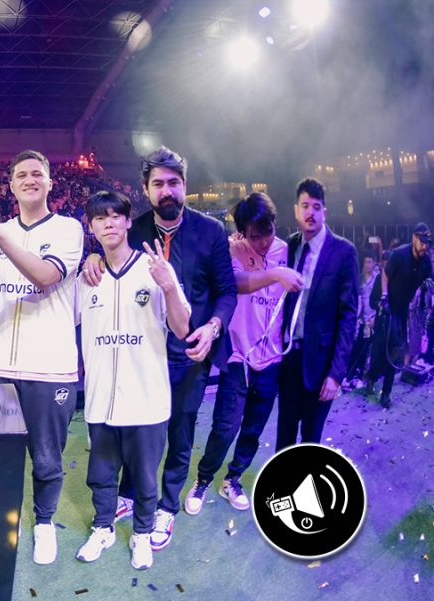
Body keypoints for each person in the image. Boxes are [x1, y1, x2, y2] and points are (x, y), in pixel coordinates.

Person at [82, 146, 236, 551]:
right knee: (135, 426)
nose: (167, 191)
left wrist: (213, 327)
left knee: (180, 431)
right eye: (158, 184)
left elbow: (226, 291)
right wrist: (93, 256)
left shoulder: (211, 231)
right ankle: (130, 495)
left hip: (189, 350)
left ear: (184, 185)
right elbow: (111, 251)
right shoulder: (134, 229)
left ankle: (166, 505)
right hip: (143, 352)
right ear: (146, 190)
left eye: (173, 182)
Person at [0, 150, 84, 565]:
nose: (30, 180)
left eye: (37, 173)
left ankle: (44, 522)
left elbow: (46, 276)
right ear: (11, 186)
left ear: (50, 183)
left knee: (47, 456)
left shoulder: (68, 229)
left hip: (50, 368)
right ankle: (2, 521)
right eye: (21, 175)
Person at [74, 191, 190, 570]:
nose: (108, 223)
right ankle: (103, 528)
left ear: (127, 221)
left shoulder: (155, 270)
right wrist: (88, 260)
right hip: (101, 398)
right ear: (91, 227)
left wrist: (169, 287)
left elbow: (182, 327)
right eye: (100, 218)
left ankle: (141, 533)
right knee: (101, 474)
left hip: (147, 398)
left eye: (115, 216)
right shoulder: (87, 278)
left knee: (144, 477)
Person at [182, 193, 301, 515]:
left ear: (275, 223)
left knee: (253, 428)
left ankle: (232, 479)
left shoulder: (287, 252)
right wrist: (275, 274)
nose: (262, 242)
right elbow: (236, 283)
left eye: (268, 232)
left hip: (272, 358)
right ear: (242, 233)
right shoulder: (233, 249)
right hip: (238, 356)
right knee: (225, 426)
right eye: (254, 236)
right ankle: (203, 479)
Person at [276, 178, 358, 448]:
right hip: (289, 359)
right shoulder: (290, 246)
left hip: (321, 365)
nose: (310, 212)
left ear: (325, 212)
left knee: (311, 440)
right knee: (284, 437)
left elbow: (348, 317)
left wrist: (336, 374)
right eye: (305, 206)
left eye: (316, 207)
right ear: (296, 210)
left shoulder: (344, 252)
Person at [363, 223, 432, 408]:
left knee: (395, 352)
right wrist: (384, 296)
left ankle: (386, 393)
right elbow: (385, 274)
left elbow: (429, 280)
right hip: (387, 308)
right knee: (380, 349)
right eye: (422, 241)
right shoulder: (400, 254)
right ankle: (371, 379)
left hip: (401, 311)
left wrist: (427, 286)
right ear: (414, 238)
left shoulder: (425, 261)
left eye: (427, 242)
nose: (425, 246)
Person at [345, 254, 379, 387]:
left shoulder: (377, 279)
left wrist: (375, 317)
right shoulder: (359, 279)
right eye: (365, 262)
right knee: (356, 347)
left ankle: (360, 377)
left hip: (372, 320)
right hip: (361, 320)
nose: (367, 265)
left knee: (366, 348)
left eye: (370, 262)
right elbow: (356, 299)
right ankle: (350, 375)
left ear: (374, 263)